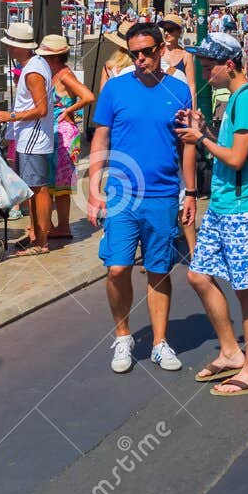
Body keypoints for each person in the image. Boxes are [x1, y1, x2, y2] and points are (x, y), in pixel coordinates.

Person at [88, 22, 195, 374]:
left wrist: (190, 192)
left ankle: (160, 342)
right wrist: (92, 190)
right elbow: (101, 138)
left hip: (163, 193)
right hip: (121, 194)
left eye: (147, 52)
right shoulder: (115, 89)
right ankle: (123, 335)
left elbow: (187, 145)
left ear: (161, 49)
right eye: (134, 53)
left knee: (158, 270)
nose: (140, 59)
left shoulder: (178, 90)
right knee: (117, 268)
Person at [175, 33, 248, 398]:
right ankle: (231, 350)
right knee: (199, 276)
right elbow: (229, 146)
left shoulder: (247, 100)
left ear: (228, 65)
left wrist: (200, 139)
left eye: (208, 67)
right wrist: (204, 129)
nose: (204, 74)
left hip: (244, 208)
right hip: (222, 205)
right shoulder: (233, 100)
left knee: (246, 288)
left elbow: (235, 158)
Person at [0, 23, 55, 255]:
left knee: (37, 188)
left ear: (19, 47)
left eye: (10, 45)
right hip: (33, 136)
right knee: (35, 188)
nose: (7, 48)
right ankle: (36, 235)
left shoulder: (33, 72)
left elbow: (41, 109)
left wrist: (10, 116)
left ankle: (41, 241)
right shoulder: (38, 65)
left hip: (32, 137)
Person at [41, 33, 96, 241]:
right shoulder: (52, 74)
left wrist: (67, 110)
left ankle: (63, 226)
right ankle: (52, 225)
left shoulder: (64, 74)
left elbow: (88, 96)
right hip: (52, 131)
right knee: (50, 180)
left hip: (64, 132)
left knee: (62, 183)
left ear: (55, 57)